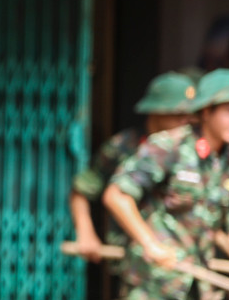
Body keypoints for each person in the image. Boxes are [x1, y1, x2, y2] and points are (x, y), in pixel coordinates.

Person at [103, 69, 229, 300]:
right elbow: (116, 195)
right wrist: (151, 244)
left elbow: (222, 227)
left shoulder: (226, 161)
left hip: (200, 279)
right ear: (205, 112)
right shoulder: (169, 146)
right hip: (156, 277)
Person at [70, 72, 195, 263]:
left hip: (176, 259)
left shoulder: (189, 150)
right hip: (133, 258)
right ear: (156, 111)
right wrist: (85, 232)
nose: (184, 123)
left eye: (189, 116)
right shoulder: (124, 145)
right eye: (177, 115)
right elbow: (83, 189)